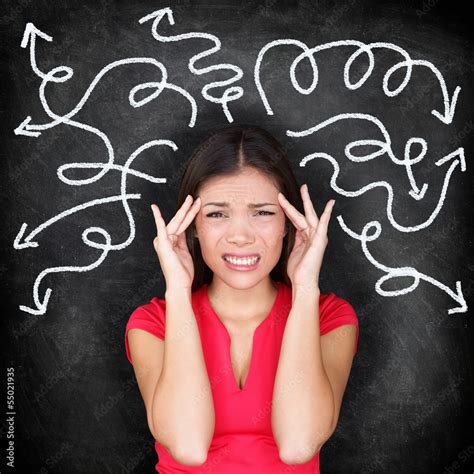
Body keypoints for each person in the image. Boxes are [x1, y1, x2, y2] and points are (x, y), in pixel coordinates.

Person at [124, 124, 359, 473]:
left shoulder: (330, 318)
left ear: (287, 225)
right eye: (217, 214)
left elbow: (298, 444)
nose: (239, 236)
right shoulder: (152, 324)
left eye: (262, 212)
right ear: (193, 228)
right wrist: (177, 289)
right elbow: (188, 447)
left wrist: (306, 287)